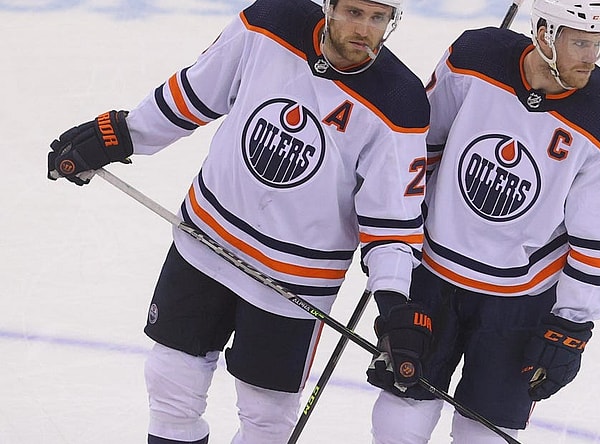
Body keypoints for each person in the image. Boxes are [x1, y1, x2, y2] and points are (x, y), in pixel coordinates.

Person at [46, 0, 431, 442]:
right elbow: (193, 94)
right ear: (329, 5)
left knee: (266, 419)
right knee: (171, 382)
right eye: (353, 12)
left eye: (377, 18)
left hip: (293, 281)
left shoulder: (400, 101)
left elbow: (392, 226)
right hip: (207, 239)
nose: (363, 29)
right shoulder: (268, 24)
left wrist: (394, 305)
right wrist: (123, 135)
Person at [365, 0, 600, 442]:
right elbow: (418, 150)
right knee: (400, 414)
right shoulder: (475, 59)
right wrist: (393, 254)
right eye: (580, 42)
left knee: (486, 434)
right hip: (434, 273)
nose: (591, 57)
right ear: (546, 32)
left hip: (521, 299)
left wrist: (571, 324)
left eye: (599, 43)